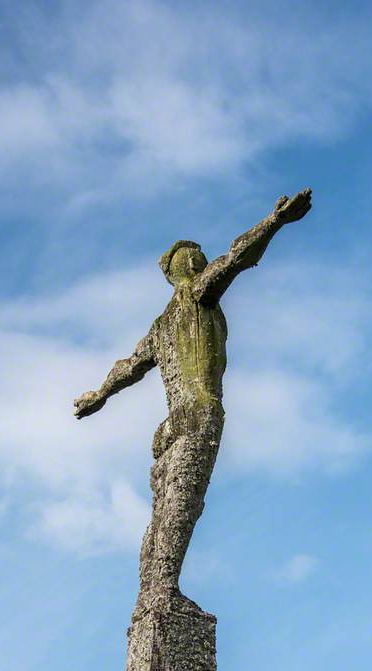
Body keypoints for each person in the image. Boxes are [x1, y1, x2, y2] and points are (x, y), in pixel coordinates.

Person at [74, 188, 312, 612]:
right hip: (199, 411)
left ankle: (151, 593)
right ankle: (162, 593)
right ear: (179, 268)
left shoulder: (160, 325)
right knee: (183, 506)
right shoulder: (195, 296)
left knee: (164, 511)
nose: (200, 254)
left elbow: (128, 366)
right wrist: (273, 223)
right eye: (192, 253)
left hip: (169, 424)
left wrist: (100, 395)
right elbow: (236, 258)